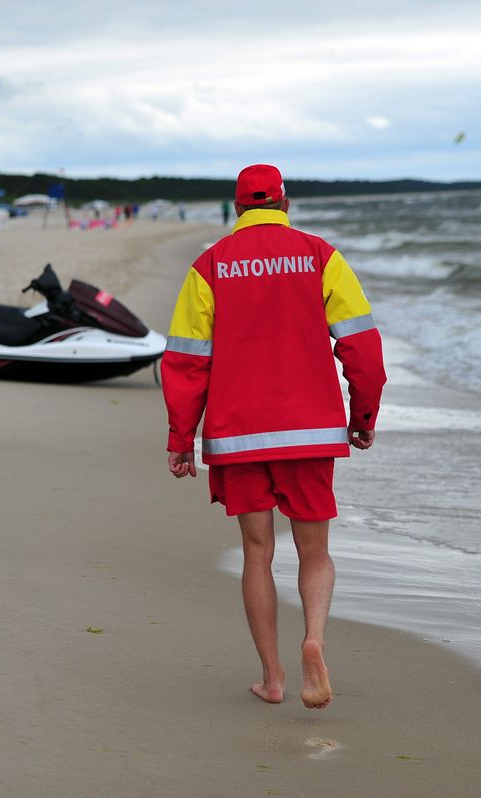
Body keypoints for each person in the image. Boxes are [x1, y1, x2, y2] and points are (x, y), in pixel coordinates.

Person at [161, 164, 386, 709]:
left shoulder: (210, 265)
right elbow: (362, 347)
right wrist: (363, 414)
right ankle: (314, 638)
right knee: (315, 552)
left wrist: (180, 436)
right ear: (285, 203)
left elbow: (186, 360)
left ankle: (274, 678)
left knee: (257, 553)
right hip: (310, 432)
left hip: (238, 437)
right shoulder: (320, 256)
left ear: (237, 208)